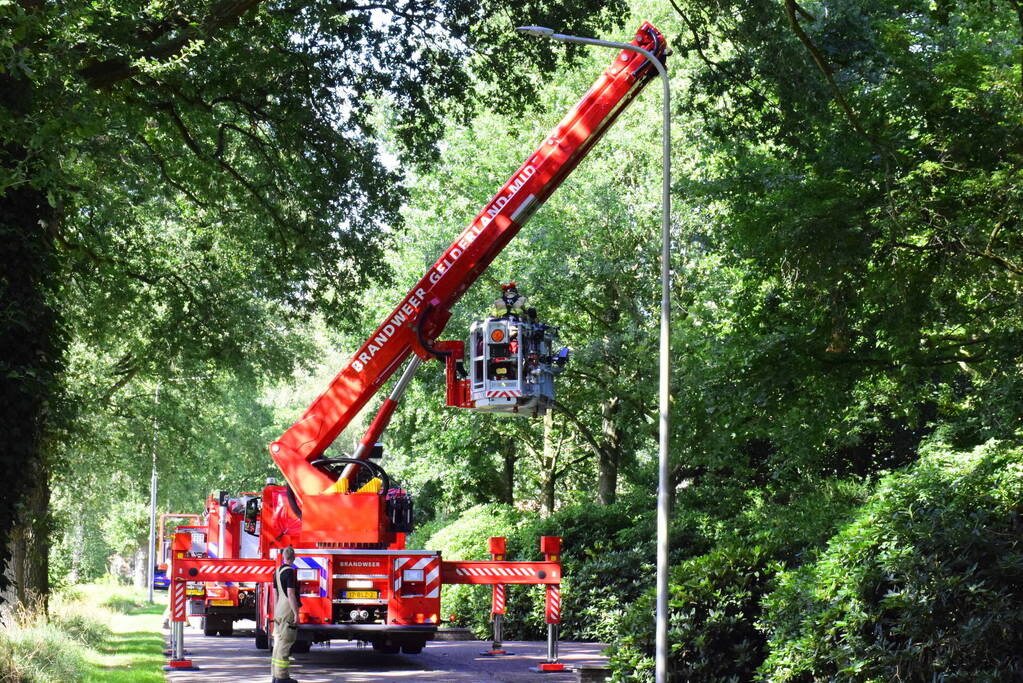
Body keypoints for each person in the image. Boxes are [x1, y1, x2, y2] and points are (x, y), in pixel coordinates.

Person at [271, 546, 301, 683]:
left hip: (279, 609)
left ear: (283, 557)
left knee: (278, 642)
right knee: (286, 642)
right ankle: (282, 677)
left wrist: (276, 610)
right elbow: (290, 593)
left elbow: (276, 594)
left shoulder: (277, 571)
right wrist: (296, 613)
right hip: (287, 609)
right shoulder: (290, 572)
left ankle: (275, 675)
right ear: (293, 557)